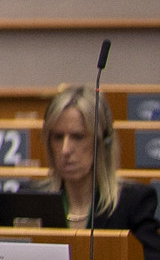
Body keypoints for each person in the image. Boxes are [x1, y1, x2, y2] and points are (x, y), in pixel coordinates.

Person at [39, 85, 160, 260]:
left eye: (77, 137)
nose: (65, 150)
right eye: (58, 137)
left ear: (102, 143)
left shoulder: (133, 204)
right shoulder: (32, 201)